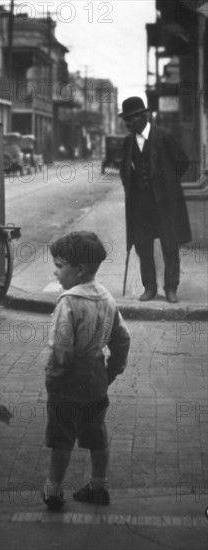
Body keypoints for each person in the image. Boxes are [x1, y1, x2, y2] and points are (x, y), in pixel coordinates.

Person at [43, 231, 130, 512]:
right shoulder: (107, 298)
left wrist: (54, 378)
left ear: (78, 270)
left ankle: (54, 491)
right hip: (95, 374)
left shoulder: (68, 302)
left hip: (69, 378)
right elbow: (122, 338)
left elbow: (62, 349)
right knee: (97, 433)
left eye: (59, 266)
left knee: (62, 436)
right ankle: (98, 485)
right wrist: (111, 370)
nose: (55, 273)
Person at [119, 96, 192, 303]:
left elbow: (183, 163)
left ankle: (171, 288)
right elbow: (124, 171)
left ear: (144, 116)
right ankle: (149, 288)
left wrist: (168, 184)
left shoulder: (164, 136)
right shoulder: (128, 141)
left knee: (170, 246)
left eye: (131, 119)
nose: (127, 123)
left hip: (165, 205)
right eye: (125, 119)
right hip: (139, 208)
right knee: (143, 248)